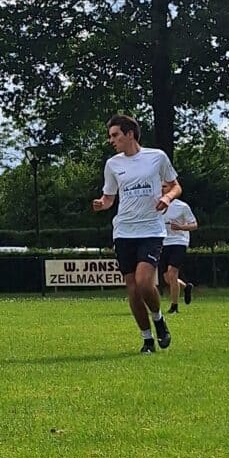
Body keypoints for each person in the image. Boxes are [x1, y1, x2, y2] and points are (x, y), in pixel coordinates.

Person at [91, 115, 181, 353]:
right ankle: (147, 340)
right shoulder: (112, 164)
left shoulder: (157, 157)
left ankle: (159, 319)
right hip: (124, 232)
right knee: (132, 288)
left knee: (143, 282)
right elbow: (109, 198)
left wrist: (167, 197)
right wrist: (101, 203)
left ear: (130, 134)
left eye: (115, 135)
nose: (111, 140)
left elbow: (176, 186)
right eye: (110, 136)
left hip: (151, 230)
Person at [160, 193, 197, 310]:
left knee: (172, 272)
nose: (162, 189)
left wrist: (181, 227)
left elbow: (194, 225)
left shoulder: (182, 206)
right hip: (163, 243)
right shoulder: (156, 205)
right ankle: (186, 287)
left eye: (165, 186)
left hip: (179, 242)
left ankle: (174, 306)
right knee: (167, 278)